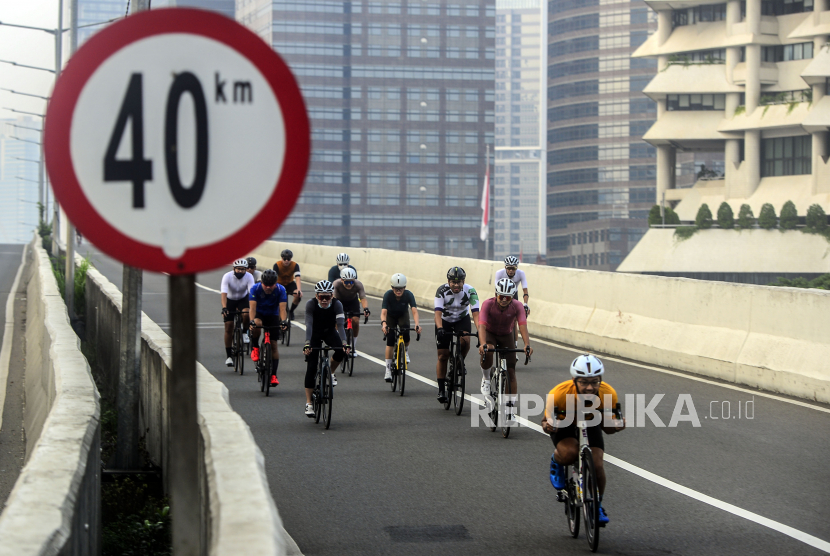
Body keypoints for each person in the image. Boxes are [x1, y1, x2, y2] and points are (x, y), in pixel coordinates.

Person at [541, 354, 626, 526]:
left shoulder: (608, 393)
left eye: (595, 382)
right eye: (584, 382)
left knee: (597, 464)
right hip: (565, 423)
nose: (589, 387)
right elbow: (545, 422)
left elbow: (609, 429)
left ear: (600, 380)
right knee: (569, 453)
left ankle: (597, 504)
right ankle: (556, 460)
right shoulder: (558, 394)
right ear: (574, 380)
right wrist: (549, 425)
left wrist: (617, 425)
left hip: (591, 422)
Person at [477, 278, 533, 423]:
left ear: (512, 297)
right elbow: (481, 325)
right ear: (496, 294)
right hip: (490, 333)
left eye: (507, 297)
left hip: (506, 335)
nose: (503, 300)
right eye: (501, 296)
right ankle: (486, 379)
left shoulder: (517, 306)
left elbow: (522, 325)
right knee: (488, 350)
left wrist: (527, 344)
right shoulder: (488, 304)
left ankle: (509, 409)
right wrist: (482, 344)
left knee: (511, 371)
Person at [302, 281, 350, 417]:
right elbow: (309, 325)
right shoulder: (310, 304)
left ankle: (331, 372)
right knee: (311, 366)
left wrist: (345, 343)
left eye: (327, 297)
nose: (324, 300)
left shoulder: (337, 304)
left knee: (340, 351)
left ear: (332, 296)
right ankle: (309, 403)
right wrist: (307, 343)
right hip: (314, 333)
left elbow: (340, 325)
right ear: (316, 296)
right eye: (321, 297)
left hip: (329, 331)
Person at [434, 266, 480, 404]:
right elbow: (437, 313)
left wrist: (480, 330)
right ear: (448, 282)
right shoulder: (441, 291)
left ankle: (459, 361)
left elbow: (476, 314)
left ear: (463, 281)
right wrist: (440, 328)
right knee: (443, 355)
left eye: (459, 282)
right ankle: (441, 389)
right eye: (453, 282)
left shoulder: (470, 291)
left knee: (465, 341)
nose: (456, 285)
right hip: (445, 321)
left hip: (462, 319)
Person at [248, 269, 288, 387]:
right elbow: (252, 308)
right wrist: (251, 321)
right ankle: (255, 347)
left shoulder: (281, 290)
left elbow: (282, 309)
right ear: (261, 282)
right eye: (266, 285)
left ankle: (274, 375)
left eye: (271, 285)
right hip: (259, 314)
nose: (268, 288)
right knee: (257, 324)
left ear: (276, 283)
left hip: (273, 315)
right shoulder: (255, 289)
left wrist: (284, 322)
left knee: (274, 345)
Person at [380, 273, 421, 382]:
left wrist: (417, 324)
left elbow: (414, 310)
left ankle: (405, 351)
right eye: (396, 289)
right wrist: (384, 324)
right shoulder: (388, 295)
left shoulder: (409, 295)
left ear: (405, 288)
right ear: (392, 288)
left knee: (406, 331)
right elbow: (383, 312)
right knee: (390, 339)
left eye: (401, 289)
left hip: (403, 315)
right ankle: (388, 370)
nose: (398, 291)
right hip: (390, 316)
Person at [220, 258, 255, 367]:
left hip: (242, 299)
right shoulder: (227, 276)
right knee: (229, 326)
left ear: (246, 269)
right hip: (230, 301)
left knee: (246, 314)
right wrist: (224, 307)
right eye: (238, 269)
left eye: (243, 269)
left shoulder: (249, 277)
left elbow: (252, 293)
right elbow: (224, 293)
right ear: (234, 268)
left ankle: (244, 332)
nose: (240, 271)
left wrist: (253, 307)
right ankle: (229, 356)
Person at [332, 267, 370, 352]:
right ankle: (339, 343)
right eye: (347, 282)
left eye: (351, 282)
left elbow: (363, 297)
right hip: (339, 302)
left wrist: (366, 309)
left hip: (353, 302)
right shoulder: (336, 284)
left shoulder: (358, 284)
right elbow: (333, 299)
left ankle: (353, 346)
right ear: (342, 280)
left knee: (355, 321)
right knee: (338, 322)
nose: (349, 284)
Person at [495, 255, 530, 345]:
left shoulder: (521, 273)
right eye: (509, 268)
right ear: (505, 267)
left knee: (514, 321)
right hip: (501, 295)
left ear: (516, 268)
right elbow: (496, 291)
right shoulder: (499, 273)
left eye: (513, 268)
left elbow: (525, 291)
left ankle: (514, 344)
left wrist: (525, 304)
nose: (511, 271)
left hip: (513, 295)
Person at [273, 249, 302, 320]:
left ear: (291, 259)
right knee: (283, 303)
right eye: (284, 259)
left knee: (298, 295)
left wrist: (299, 290)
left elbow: (297, 278)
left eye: (288, 259)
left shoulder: (295, 265)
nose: (286, 261)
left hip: (290, 283)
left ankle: (291, 311)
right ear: (281, 258)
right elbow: (274, 279)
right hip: (279, 284)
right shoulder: (277, 265)